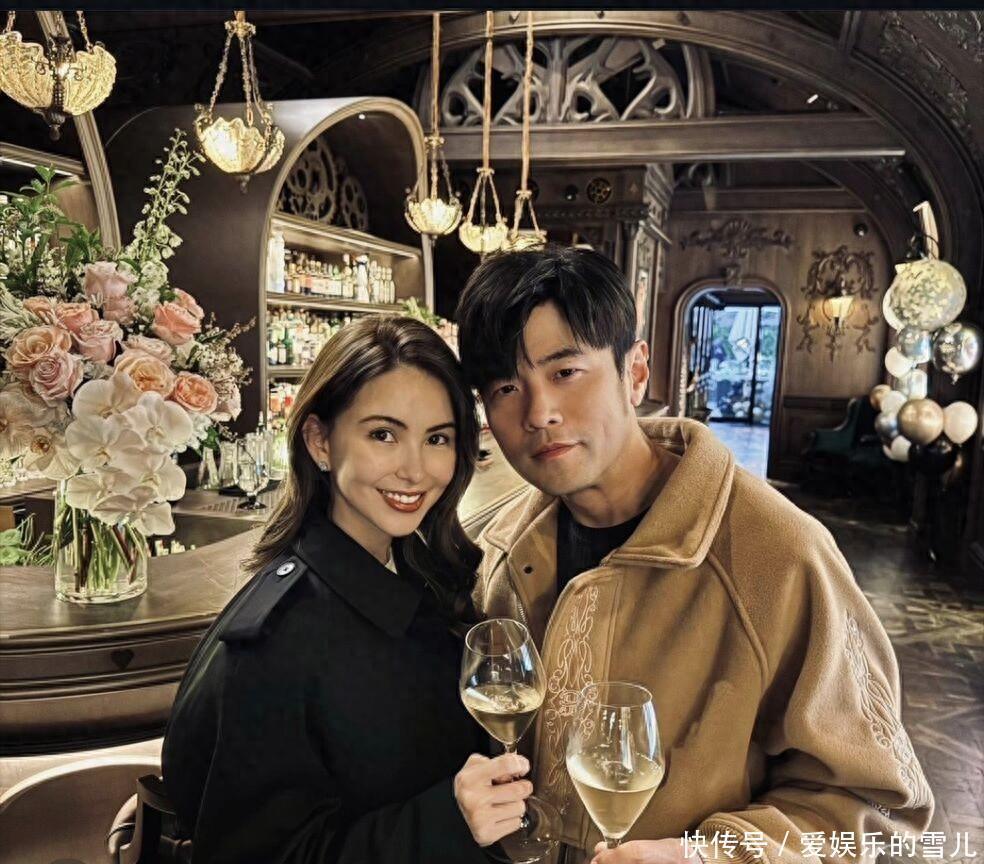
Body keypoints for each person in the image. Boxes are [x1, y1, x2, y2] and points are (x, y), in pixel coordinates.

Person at [455, 246, 934, 864]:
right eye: (505, 387)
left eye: (566, 372)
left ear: (635, 372)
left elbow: (876, 806)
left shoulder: (780, 556)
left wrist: (709, 857)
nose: (539, 413)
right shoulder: (504, 548)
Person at [162, 316, 533, 864]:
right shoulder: (276, 643)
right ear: (320, 442)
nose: (415, 470)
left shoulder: (418, 572)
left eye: (437, 438)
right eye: (383, 434)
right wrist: (446, 820)